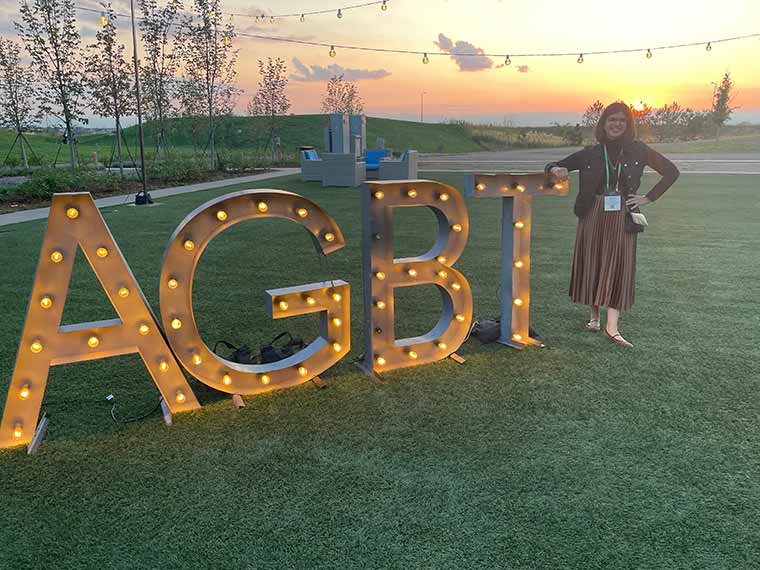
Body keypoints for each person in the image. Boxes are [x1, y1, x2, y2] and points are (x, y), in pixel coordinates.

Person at [545, 101, 679, 347]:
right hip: (593, 213)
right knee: (593, 261)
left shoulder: (639, 150)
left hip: (623, 215)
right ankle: (594, 319)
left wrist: (648, 198)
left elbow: (671, 171)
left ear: (628, 125)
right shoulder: (591, 153)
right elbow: (553, 165)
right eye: (612, 119)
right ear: (603, 124)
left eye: (622, 120)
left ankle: (612, 327)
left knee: (619, 266)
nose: (617, 124)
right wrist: (557, 169)